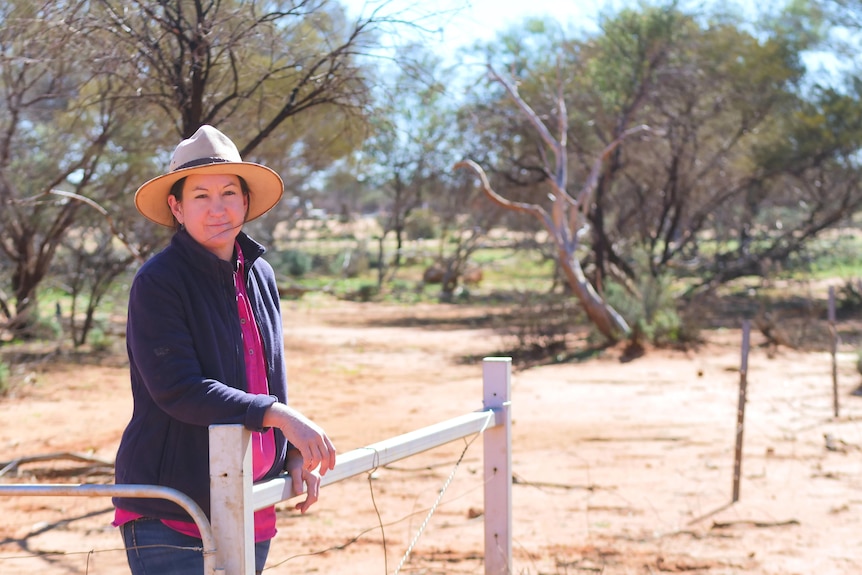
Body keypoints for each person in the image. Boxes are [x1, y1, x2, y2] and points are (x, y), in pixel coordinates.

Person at [112, 125, 336, 575]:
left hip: (250, 501)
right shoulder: (159, 282)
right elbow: (179, 389)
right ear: (176, 207)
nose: (218, 209)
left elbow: (268, 375)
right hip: (172, 509)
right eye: (200, 196)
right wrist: (278, 416)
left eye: (229, 193)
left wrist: (289, 455)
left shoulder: (259, 275)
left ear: (246, 201)